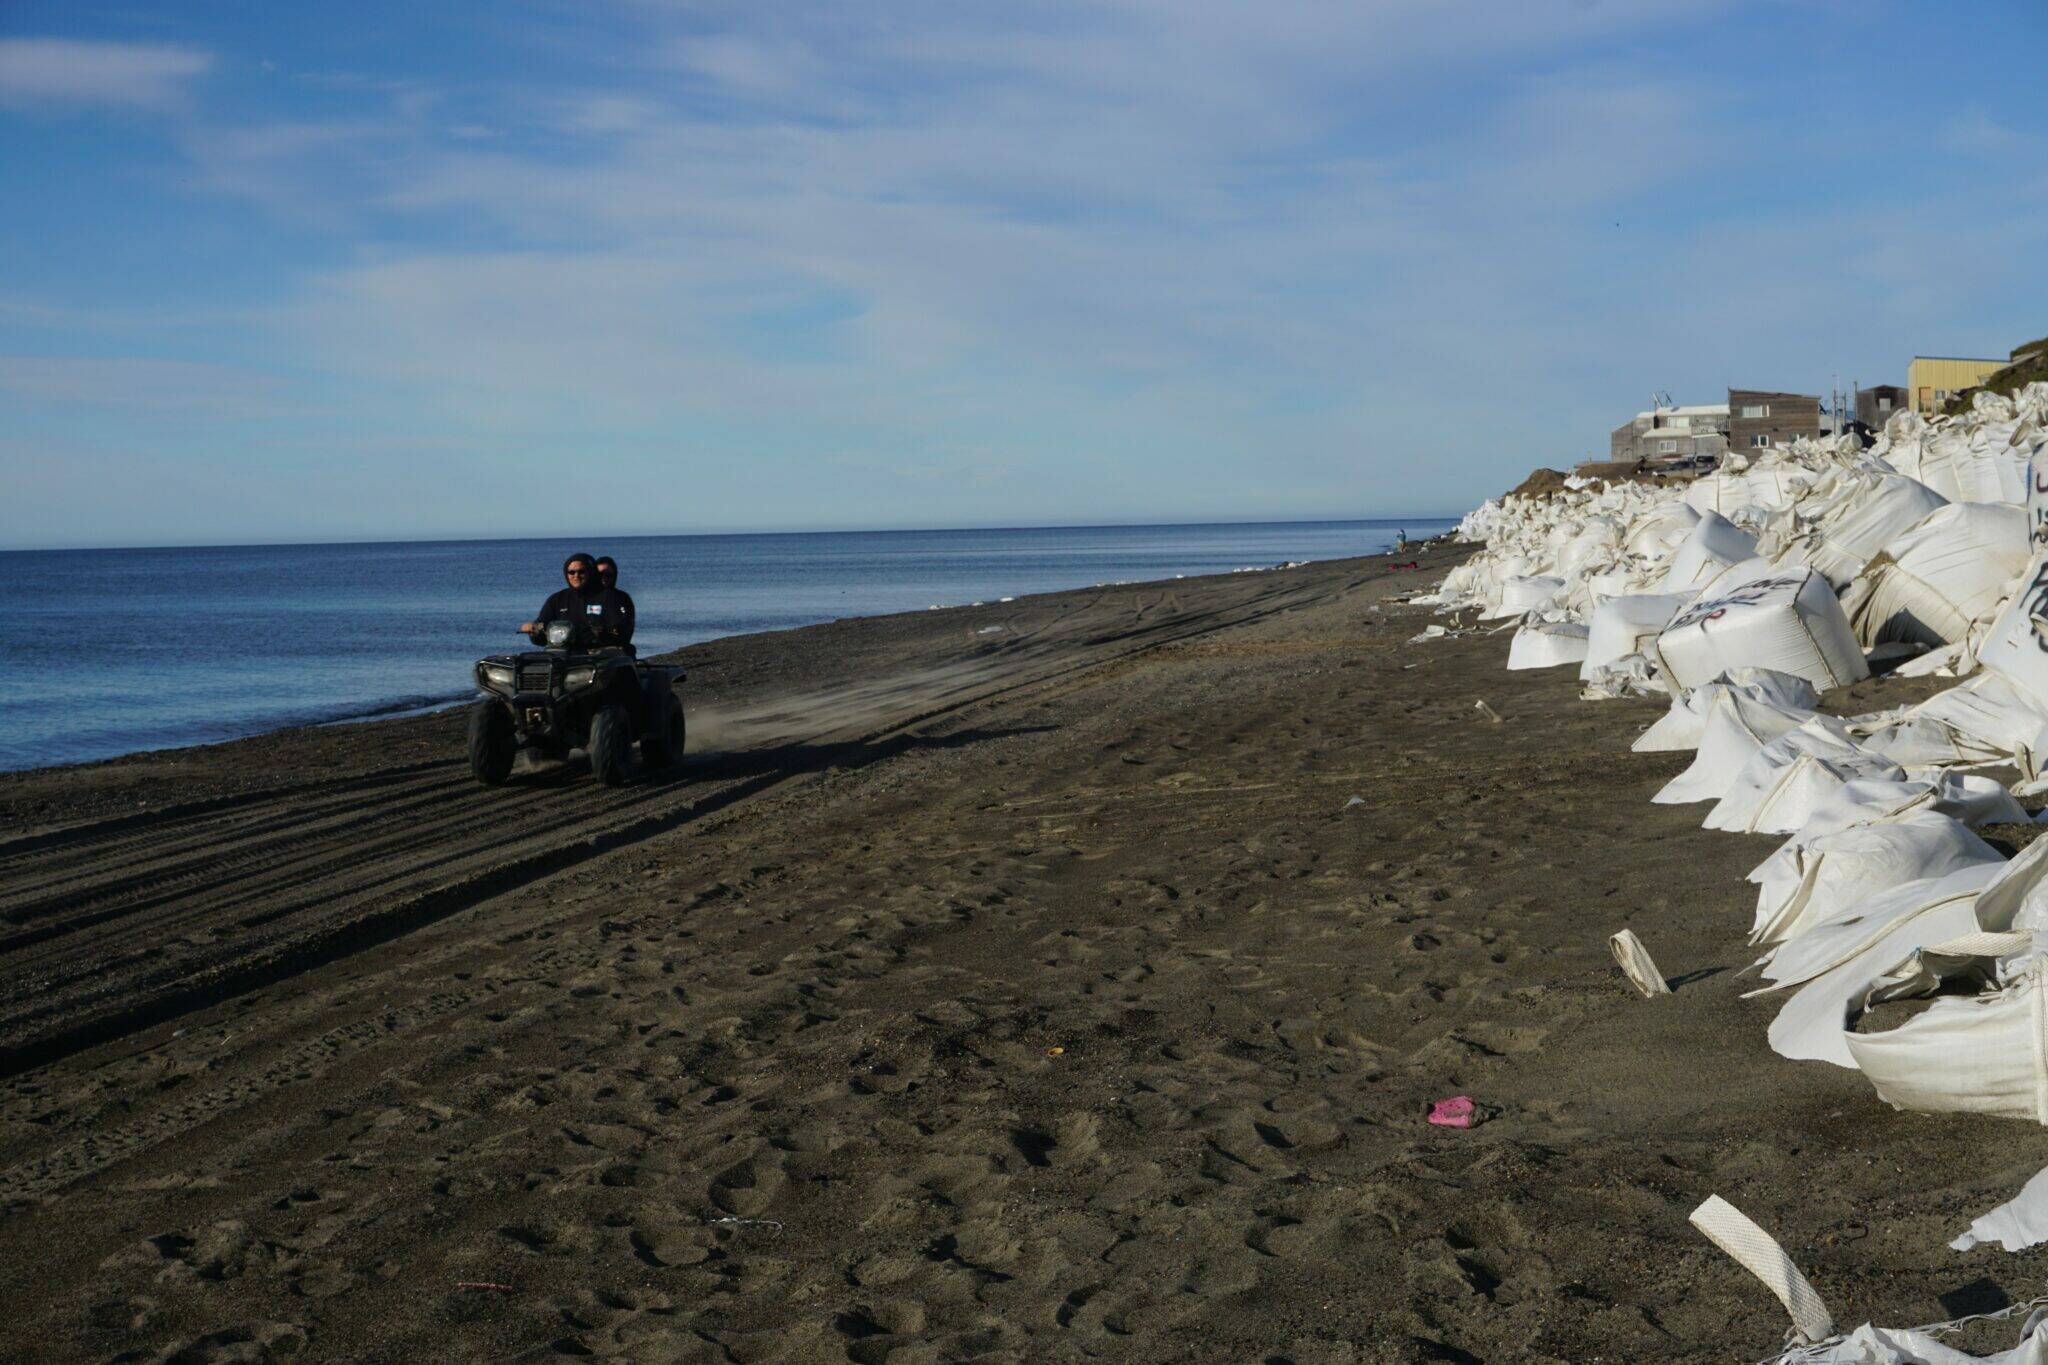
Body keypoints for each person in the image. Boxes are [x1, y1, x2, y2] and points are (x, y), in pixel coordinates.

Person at [520, 552, 632, 648]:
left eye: (581, 572)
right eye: (571, 572)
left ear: (591, 572)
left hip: (600, 656)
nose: (576, 576)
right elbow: (542, 633)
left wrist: (602, 632)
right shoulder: (557, 599)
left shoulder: (611, 597)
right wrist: (533, 630)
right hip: (563, 656)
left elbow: (621, 632)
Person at [594, 555, 635, 647]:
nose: (603, 578)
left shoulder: (622, 598)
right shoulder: (585, 598)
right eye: (600, 574)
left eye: (608, 575)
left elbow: (628, 628)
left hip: (616, 648)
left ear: (614, 575)